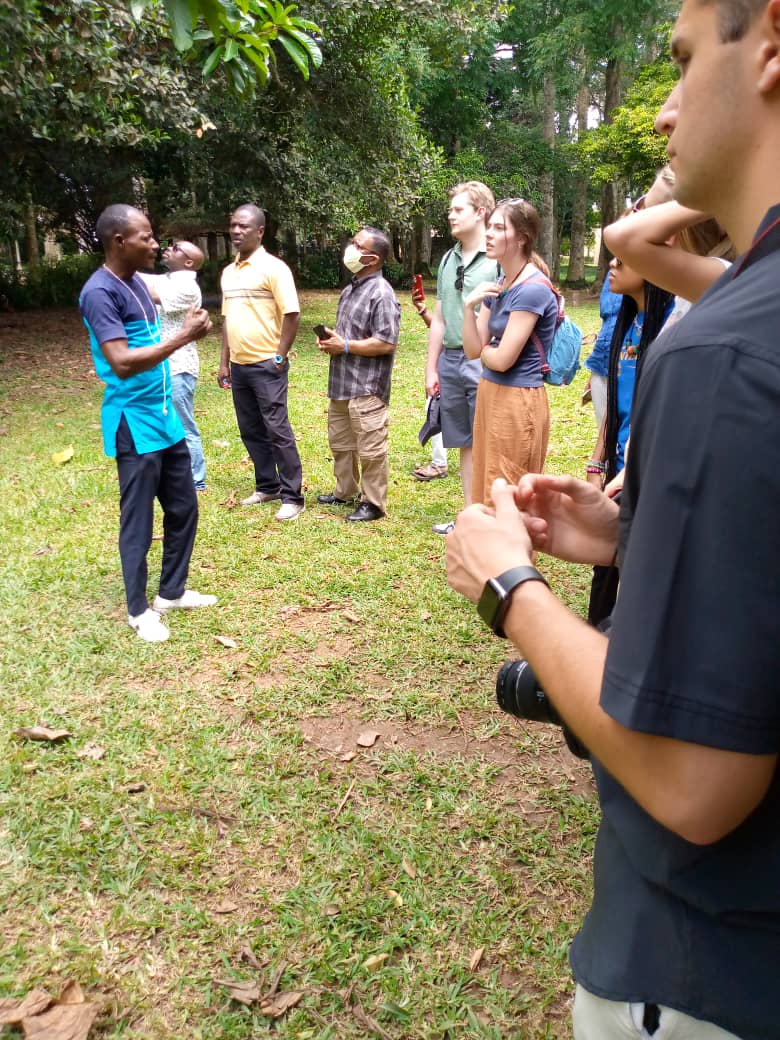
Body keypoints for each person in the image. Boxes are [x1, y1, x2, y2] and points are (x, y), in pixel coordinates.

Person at [446, 1, 780, 1036]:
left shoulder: (723, 348)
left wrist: (514, 587)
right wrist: (633, 534)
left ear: (770, 41)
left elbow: (695, 775)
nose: (667, 113)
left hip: (711, 964)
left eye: (683, 63)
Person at [79, 204, 216, 643]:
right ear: (119, 241)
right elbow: (120, 362)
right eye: (146, 237)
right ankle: (139, 610)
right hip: (133, 421)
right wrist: (183, 337)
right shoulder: (100, 292)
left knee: (183, 507)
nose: (155, 243)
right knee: (137, 519)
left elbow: (180, 291)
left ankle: (170, 593)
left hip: (163, 416)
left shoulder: (136, 282)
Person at [461, 197, 558, 507]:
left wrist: (488, 349)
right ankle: (491, 550)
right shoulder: (499, 284)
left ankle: (512, 552)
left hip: (518, 399)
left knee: (510, 486)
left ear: (522, 237)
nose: (488, 234)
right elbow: (473, 349)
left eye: (499, 228)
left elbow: (502, 360)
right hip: (491, 392)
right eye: (488, 226)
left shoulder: (533, 288)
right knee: (488, 478)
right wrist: (468, 307)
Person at [218, 203, 305, 521]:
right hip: (239, 367)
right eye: (232, 225)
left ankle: (293, 495)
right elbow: (227, 319)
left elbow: (292, 314)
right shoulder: (229, 272)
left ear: (259, 231)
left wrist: (279, 355)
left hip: (268, 365)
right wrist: (224, 362)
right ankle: (267, 485)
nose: (236, 231)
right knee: (250, 429)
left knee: (277, 428)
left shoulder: (274, 268)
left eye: (243, 226)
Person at [424, 181, 497, 533]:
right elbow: (438, 317)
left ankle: (492, 518)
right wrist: (431, 368)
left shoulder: (497, 258)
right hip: (450, 361)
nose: (450, 215)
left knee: (488, 439)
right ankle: (470, 518)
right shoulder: (449, 258)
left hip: (485, 360)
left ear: (480, 212)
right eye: (451, 209)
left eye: (458, 209)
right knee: (464, 441)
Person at [315, 226, 401, 522]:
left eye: (357, 244)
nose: (350, 248)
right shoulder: (351, 287)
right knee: (341, 442)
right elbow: (348, 336)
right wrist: (331, 340)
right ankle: (345, 491)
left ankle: (373, 504)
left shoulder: (382, 293)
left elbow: (387, 342)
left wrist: (346, 345)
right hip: (342, 381)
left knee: (371, 447)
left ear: (373, 258)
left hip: (366, 385)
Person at [141, 240, 208, 491]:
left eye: (177, 248)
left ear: (189, 262)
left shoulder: (187, 286)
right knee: (164, 421)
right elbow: (140, 279)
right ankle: (172, 474)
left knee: (182, 423)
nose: (168, 248)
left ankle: (196, 479)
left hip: (179, 367)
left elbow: (149, 293)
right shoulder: (169, 278)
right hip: (162, 364)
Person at [411, 281, 448, 481]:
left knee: (436, 411)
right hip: (448, 364)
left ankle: (440, 464)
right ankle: (439, 462)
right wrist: (423, 309)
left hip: (464, 364)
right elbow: (439, 328)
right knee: (435, 409)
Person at [583, 276, 622, 432]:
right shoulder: (614, 274)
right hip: (602, 364)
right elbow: (609, 321)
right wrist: (596, 367)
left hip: (632, 367)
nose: (614, 264)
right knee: (605, 434)